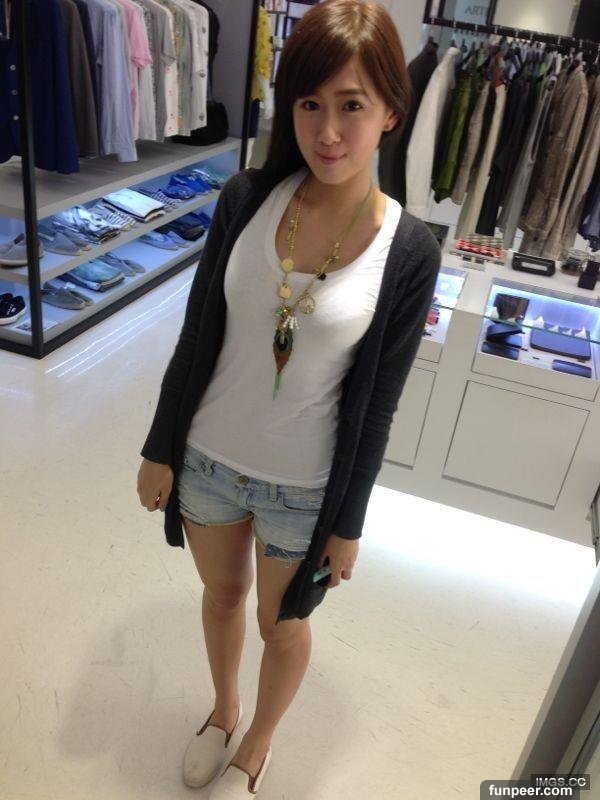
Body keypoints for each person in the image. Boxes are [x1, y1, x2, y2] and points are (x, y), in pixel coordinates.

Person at [136, 1, 441, 797]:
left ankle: (257, 745)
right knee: (221, 598)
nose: (327, 132)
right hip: (207, 461)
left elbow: (379, 403)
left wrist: (349, 522)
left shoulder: (409, 250)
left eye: (352, 105)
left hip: (302, 489)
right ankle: (223, 711)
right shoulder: (246, 199)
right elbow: (196, 335)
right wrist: (160, 447)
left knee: (283, 623)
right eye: (310, 103)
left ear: (391, 112)